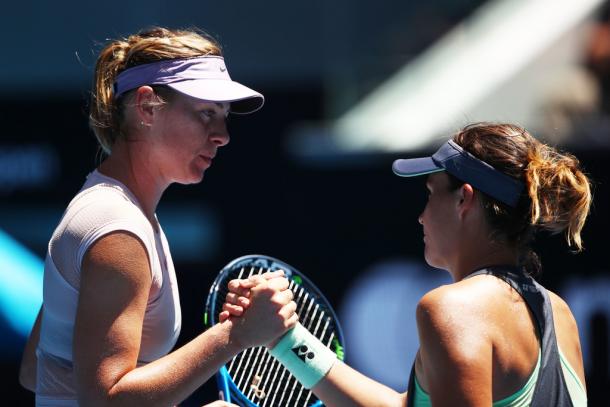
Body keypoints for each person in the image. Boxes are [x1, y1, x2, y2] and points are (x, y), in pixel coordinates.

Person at [18, 27, 297, 406]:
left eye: (224, 116)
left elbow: (37, 372)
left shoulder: (109, 210)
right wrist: (234, 336)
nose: (222, 134)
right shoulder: (119, 230)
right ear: (147, 107)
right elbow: (105, 400)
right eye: (206, 113)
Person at [225, 122, 591, 406]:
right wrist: (286, 339)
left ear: (464, 200)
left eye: (430, 194)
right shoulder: (560, 315)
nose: (421, 217)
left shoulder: (452, 309)